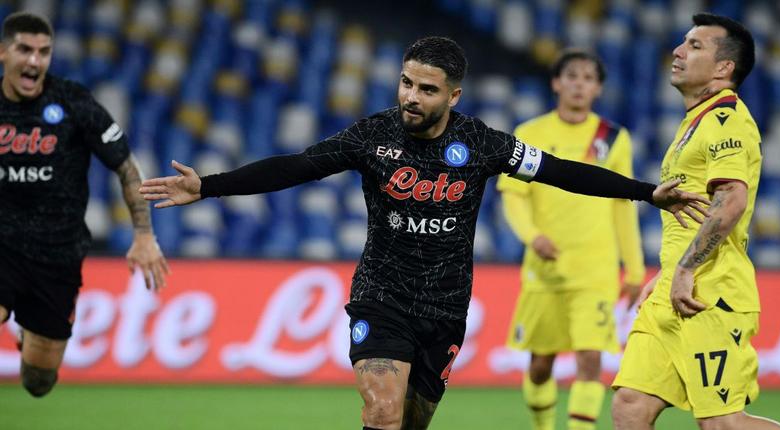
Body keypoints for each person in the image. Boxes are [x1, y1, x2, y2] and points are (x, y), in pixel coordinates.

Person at [140, 36, 707, 430]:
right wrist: (207, 186)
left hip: (444, 306)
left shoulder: (484, 144)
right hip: (381, 295)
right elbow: (297, 165)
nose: (411, 96)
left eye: (427, 89)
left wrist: (643, 192)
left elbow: (561, 171)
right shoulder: (374, 135)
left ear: (453, 96)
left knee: (411, 421)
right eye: (406, 83)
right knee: (381, 413)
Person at [611, 13, 780, 430]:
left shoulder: (728, 120)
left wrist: (687, 269)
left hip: (711, 292)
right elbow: (694, 210)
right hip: (674, 285)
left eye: (694, 46)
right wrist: (670, 269)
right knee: (631, 404)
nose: (677, 50)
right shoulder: (698, 120)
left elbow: (731, 200)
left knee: (723, 424)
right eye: (682, 42)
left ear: (724, 67)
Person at [0, 12, 168, 398]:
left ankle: (32, 336)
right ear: (4, 53)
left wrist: (143, 234)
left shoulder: (74, 103)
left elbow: (126, 167)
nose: (34, 61)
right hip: (2, 244)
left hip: (56, 254)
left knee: (38, 382)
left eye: (44, 52)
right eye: (24, 49)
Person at [497, 49, 644, 430]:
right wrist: (532, 237)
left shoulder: (613, 138)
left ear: (597, 89)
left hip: (595, 268)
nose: (579, 83)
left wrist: (634, 267)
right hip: (545, 269)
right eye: (572, 76)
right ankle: (543, 426)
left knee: (590, 359)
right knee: (541, 364)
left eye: (588, 78)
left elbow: (622, 203)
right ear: (556, 83)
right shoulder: (530, 134)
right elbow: (513, 196)